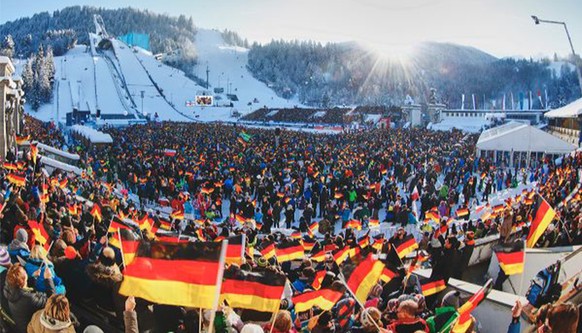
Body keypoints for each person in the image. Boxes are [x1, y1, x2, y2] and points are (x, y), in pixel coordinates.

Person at [3, 263, 54, 333]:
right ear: (23, 281)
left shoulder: (10, 287)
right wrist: (48, 279)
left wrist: (34, 277)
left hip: (21, 323)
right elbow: (52, 301)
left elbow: (23, 288)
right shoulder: (29, 299)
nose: (26, 273)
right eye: (25, 273)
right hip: (29, 328)